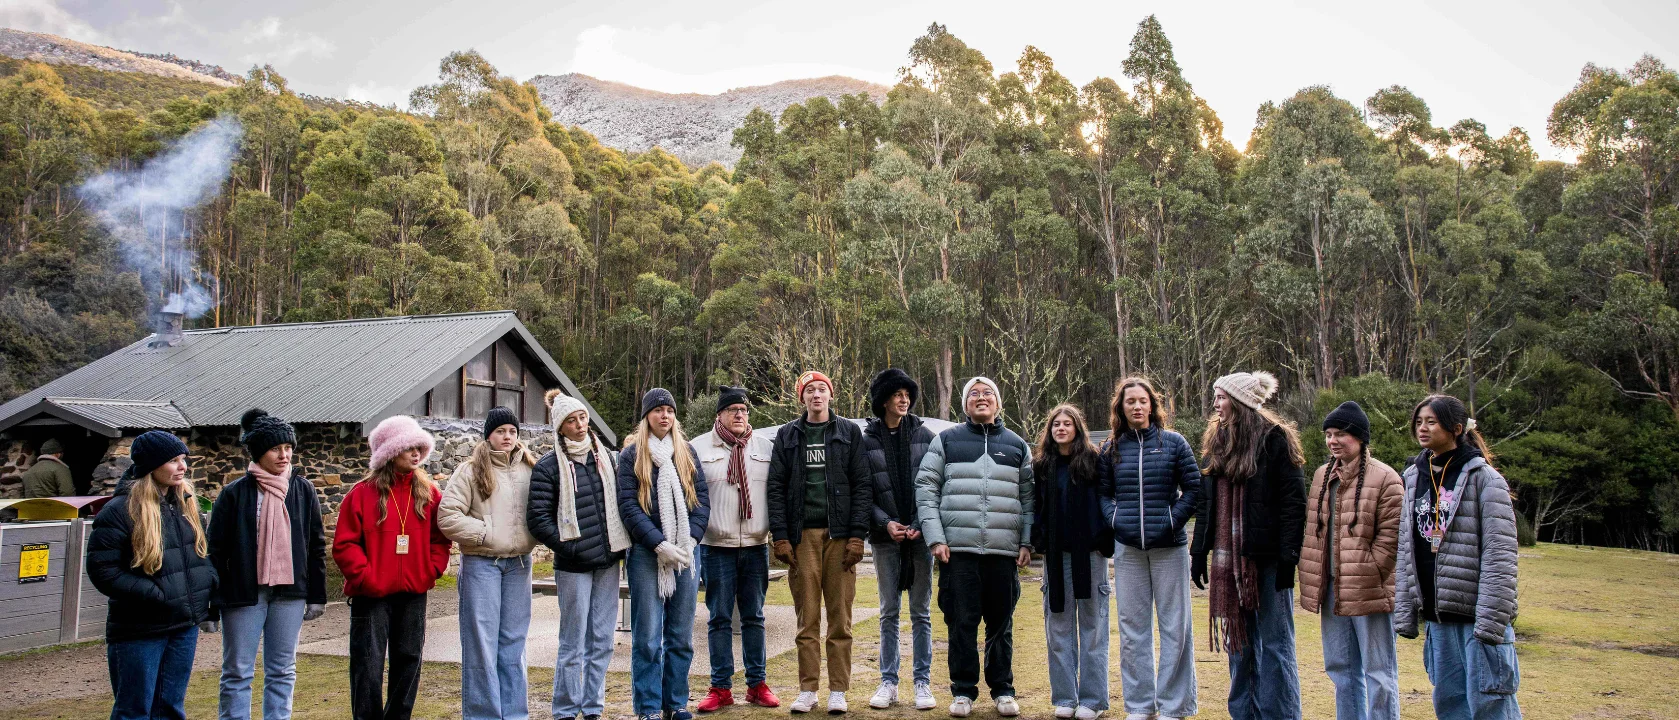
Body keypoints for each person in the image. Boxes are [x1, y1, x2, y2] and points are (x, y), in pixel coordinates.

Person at [1395, 394, 1521, 720]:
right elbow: (1406, 547)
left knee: (1491, 704)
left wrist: (1491, 620)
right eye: (1419, 422)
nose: (1422, 428)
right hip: (1438, 618)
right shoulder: (1413, 477)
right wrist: (1407, 609)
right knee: (1450, 705)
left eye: (1431, 422)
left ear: (1456, 428)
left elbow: (1500, 555)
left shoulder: (1485, 479)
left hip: (1476, 618)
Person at [915, 376, 1034, 719]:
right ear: (965, 404)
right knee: (961, 624)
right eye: (974, 394)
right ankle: (963, 691)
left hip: (1002, 552)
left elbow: (1029, 497)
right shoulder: (946, 441)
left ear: (998, 402)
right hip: (958, 551)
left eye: (988, 393)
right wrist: (936, 538)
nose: (981, 398)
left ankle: (1003, 690)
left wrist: (1026, 541)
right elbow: (926, 488)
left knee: (1001, 625)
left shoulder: (1016, 445)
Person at [1190, 371, 1306, 720]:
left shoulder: (1275, 439)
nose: (1215, 404)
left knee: (1275, 645)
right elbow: (1206, 503)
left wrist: (1288, 557)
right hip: (1230, 560)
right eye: (1216, 396)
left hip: (1267, 560)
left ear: (1240, 402)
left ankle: (1280, 715)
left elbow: (1293, 502)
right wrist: (1199, 551)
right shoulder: (1217, 442)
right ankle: (1244, 714)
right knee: (1239, 645)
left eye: (1222, 397)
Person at [86, 430, 217, 720]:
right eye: (173, 461)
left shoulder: (186, 505)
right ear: (151, 466)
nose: (183, 467)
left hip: (183, 625)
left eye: (183, 459)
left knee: (169, 709)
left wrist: (206, 587)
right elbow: (103, 570)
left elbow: (200, 555)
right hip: (140, 628)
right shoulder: (120, 510)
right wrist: (155, 594)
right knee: (134, 711)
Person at [209, 409, 328, 720]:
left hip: (290, 593)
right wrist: (209, 605)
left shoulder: (302, 490)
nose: (284, 455)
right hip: (244, 594)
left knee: (283, 669)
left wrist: (317, 595)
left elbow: (315, 546)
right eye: (276, 448)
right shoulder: (234, 494)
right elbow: (215, 552)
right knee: (237, 671)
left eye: (288, 448)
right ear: (258, 452)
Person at [766, 370, 873, 714]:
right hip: (803, 538)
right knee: (807, 618)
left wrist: (857, 535)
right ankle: (808, 690)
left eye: (821, 389)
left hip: (840, 536)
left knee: (840, 619)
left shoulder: (849, 432)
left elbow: (862, 484)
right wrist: (781, 536)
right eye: (809, 390)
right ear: (802, 398)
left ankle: (838, 690)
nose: (816, 394)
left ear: (830, 395)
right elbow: (775, 487)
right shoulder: (788, 435)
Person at [332, 415, 452, 720]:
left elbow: (440, 540)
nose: (416, 453)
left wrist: (430, 571)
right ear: (390, 452)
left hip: (413, 592)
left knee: (409, 661)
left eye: (419, 447)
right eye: (408, 447)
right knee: (367, 664)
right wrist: (367, 578)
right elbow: (345, 545)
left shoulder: (429, 493)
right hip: (371, 595)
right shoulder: (361, 494)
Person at [1098, 376, 1201, 720]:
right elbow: (1103, 494)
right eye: (1130, 402)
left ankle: (1174, 705)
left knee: (1175, 627)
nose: (1137, 406)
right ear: (1121, 408)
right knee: (1132, 629)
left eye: (1143, 400)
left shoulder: (1174, 443)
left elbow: (1194, 489)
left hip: (1169, 548)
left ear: (1153, 405)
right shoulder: (1111, 448)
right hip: (1128, 551)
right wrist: (1116, 520)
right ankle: (1140, 705)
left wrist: (1172, 520)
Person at [1299, 401, 1404, 720]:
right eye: (1328, 434)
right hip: (1331, 589)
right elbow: (1313, 531)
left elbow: (1392, 537)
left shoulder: (1385, 478)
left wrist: (1371, 571)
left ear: (1359, 437)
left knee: (1379, 672)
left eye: (1340, 434)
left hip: (1370, 590)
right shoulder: (1322, 475)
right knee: (1340, 669)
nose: (1332, 441)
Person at [528, 391, 630, 720]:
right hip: (573, 565)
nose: (580, 425)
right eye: (571, 421)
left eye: (583, 417)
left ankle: (593, 707)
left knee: (602, 639)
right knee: (573, 641)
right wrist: (571, 547)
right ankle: (566, 708)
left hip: (607, 562)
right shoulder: (548, 467)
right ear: (561, 427)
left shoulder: (607, 460)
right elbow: (538, 520)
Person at [437, 407, 540, 720]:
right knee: (481, 643)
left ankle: (514, 714)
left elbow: (543, 507)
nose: (507, 437)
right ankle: (483, 714)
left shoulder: (530, 467)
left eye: (512, 431)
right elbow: (447, 516)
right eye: (500, 431)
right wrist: (485, 533)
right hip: (482, 565)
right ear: (489, 435)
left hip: (519, 565)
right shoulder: (470, 471)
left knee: (514, 642)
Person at [617, 388, 710, 720]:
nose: (664, 415)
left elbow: (701, 501)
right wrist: (658, 544)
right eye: (657, 410)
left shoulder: (686, 452)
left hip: (686, 553)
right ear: (647, 416)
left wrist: (691, 540)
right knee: (647, 637)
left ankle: (676, 703)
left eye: (669, 410)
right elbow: (628, 507)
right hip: (648, 554)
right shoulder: (632, 456)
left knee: (681, 635)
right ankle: (648, 707)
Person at [693, 386, 782, 712]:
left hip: (756, 546)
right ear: (720, 414)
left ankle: (757, 685)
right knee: (718, 618)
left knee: (754, 617)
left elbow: (776, 494)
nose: (740, 415)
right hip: (716, 546)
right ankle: (720, 688)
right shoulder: (698, 448)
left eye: (744, 410)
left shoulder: (765, 448)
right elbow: (691, 497)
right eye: (733, 410)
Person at [861, 368, 938, 711]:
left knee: (921, 612)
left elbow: (936, 485)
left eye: (907, 394)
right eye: (897, 394)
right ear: (884, 400)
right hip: (884, 538)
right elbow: (863, 491)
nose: (904, 399)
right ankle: (888, 682)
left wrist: (921, 523)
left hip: (920, 538)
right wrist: (885, 522)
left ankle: (922, 681)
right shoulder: (866, 441)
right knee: (889, 612)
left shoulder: (926, 436)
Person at [1032, 404, 1111, 720]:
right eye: (1056, 424)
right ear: (1050, 430)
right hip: (1056, 557)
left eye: (1067, 423)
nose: (1061, 428)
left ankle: (1092, 700)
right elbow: (1036, 506)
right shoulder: (1042, 466)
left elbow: (1106, 500)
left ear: (1078, 427)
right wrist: (1037, 540)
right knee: (1058, 628)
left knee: (1093, 629)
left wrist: (1104, 538)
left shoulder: (1094, 461)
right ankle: (1065, 697)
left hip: (1090, 555)